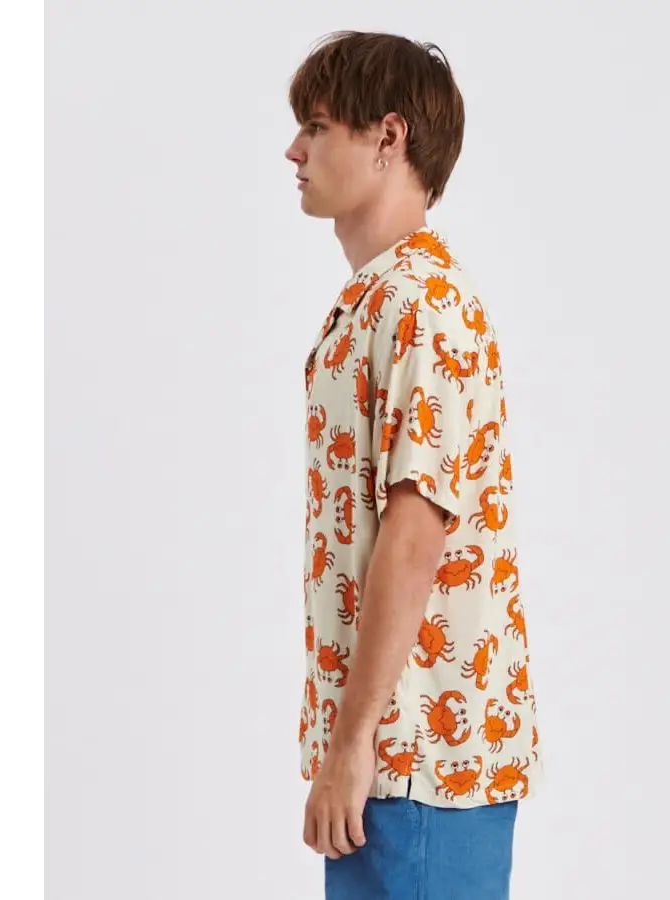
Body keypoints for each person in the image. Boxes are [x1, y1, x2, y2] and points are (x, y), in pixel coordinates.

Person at [285, 30, 545, 900]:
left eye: (317, 126)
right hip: (388, 763)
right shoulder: (377, 301)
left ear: (388, 137)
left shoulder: (422, 304)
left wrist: (352, 742)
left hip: (422, 762)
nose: (294, 150)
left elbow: (415, 532)